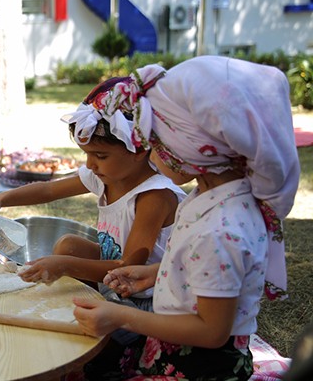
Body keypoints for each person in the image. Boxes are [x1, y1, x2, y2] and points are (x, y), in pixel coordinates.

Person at [72, 56, 300, 380]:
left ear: (196, 147)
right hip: (172, 349)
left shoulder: (220, 231)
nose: (150, 153)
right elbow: (205, 268)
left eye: (158, 141)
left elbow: (211, 331)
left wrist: (120, 317)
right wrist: (157, 273)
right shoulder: (211, 197)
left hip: (199, 368)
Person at [0, 77, 186, 315]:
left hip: (147, 299)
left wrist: (64, 266)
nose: (90, 164)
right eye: (86, 154)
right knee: (69, 245)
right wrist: (2, 198)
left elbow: (128, 267)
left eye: (100, 156)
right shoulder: (106, 176)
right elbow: (49, 190)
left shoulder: (154, 196)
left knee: (70, 262)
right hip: (114, 280)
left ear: (139, 150)